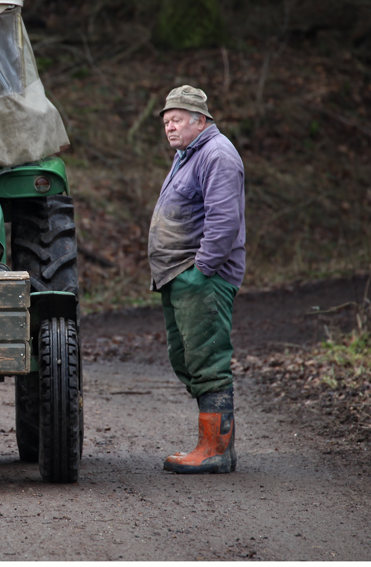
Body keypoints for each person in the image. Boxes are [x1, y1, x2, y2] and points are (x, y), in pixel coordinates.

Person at [147, 84, 246, 474]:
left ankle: (216, 449)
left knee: (206, 361)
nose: (169, 127)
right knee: (186, 358)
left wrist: (201, 270)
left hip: (201, 276)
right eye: (166, 121)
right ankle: (215, 445)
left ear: (200, 120)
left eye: (176, 120)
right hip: (180, 275)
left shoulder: (217, 155)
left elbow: (224, 220)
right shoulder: (188, 155)